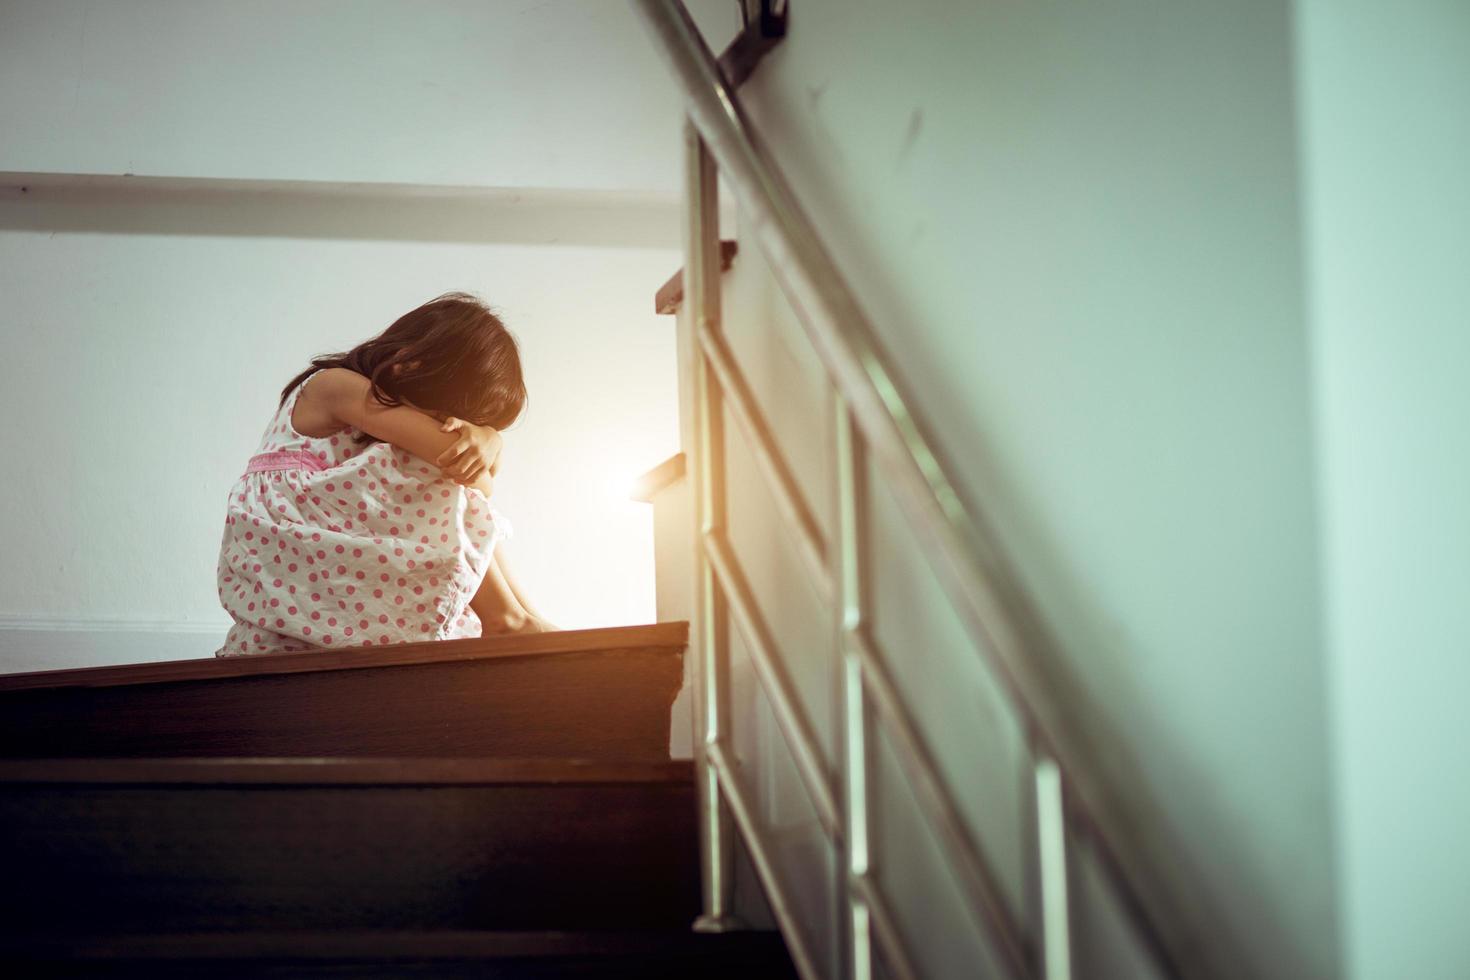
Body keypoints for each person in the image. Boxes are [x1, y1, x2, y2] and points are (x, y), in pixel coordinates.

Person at [214, 291, 557, 657]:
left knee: (447, 472)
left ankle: (522, 616)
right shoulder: (332, 385)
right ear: (407, 365)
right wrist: (489, 444)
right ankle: (506, 618)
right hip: (295, 561)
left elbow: (476, 481)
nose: (455, 427)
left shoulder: (368, 439)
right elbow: (467, 473)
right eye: (450, 417)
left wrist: (488, 440)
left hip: (322, 579)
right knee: (441, 470)